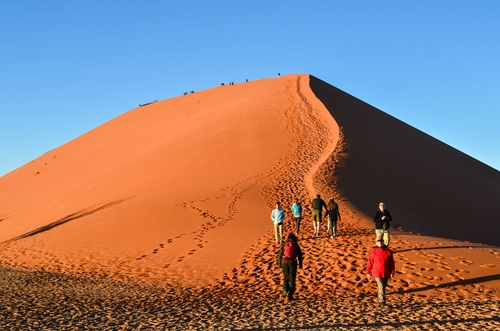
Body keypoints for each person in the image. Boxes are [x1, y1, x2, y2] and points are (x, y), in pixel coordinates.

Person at [366, 238, 395, 307]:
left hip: (386, 272)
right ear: (376, 243)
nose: (380, 243)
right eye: (378, 241)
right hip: (377, 272)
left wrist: (392, 272)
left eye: (381, 241)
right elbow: (370, 262)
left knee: (383, 287)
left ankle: (381, 300)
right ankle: (382, 301)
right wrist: (368, 272)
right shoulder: (374, 251)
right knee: (381, 286)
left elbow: (392, 263)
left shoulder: (388, 251)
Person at [277, 233, 303, 301]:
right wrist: (300, 264)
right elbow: (299, 255)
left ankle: (284, 293)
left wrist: (280, 264)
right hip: (292, 262)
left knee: (286, 278)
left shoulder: (284, 243)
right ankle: (290, 294)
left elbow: (280, 254)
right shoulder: (295, 244)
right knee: (292, 279)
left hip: (284, 262)